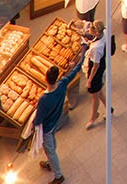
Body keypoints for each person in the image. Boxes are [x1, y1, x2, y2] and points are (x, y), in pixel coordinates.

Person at [36, 50, 85, 183]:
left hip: (47, 126)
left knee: (50, 148)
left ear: (46, 79)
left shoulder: (44, 99)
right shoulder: (62, 84)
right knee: (52, 140)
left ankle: (58, 175)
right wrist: (82, 56)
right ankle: (51, 163)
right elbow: (74, 71)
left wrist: (33, 125)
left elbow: (38, 119)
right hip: (56, 120)